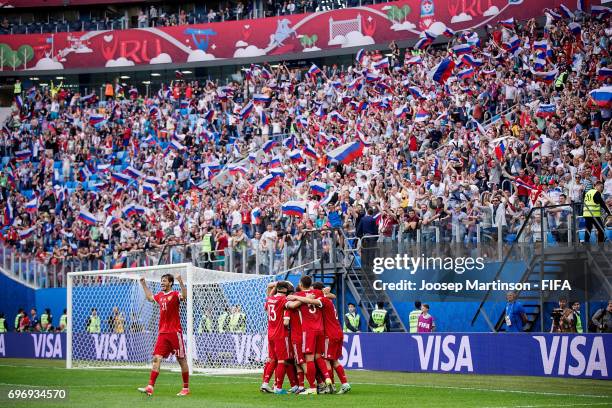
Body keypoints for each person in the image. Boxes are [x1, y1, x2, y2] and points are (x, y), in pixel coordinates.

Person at [138, 274, 190, 396]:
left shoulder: (175, 294)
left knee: (181, 360)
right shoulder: (160, 296)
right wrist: (143, 283)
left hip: (174, 333)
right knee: (156, 358)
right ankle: (150, 387)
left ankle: (186, 388)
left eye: (164, 281)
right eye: (161, 281)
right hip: (162, 333)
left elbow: (185, 296)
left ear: (170, 283)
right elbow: (150, 297)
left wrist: (181, 282)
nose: (162, 283)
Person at [285, 275, 332, 395]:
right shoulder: (317, 292)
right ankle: (327, 379)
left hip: (308, 330)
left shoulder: (298, 295)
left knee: (308, 359)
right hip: (320, 329)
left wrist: (295, 297)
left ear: (300, 284)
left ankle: (312, 387)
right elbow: (328, 291)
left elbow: (291, 306)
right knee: (318, 357)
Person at [261, 281, 291, 394]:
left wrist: (275, 285)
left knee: (272, 359)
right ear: (285, 290)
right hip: (279, 334)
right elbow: (286, 322)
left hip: (270, 333)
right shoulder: (283, 300)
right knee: (282, 361)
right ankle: (278, 388)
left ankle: (265, 384)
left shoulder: (270, 299)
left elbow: (269, 287)